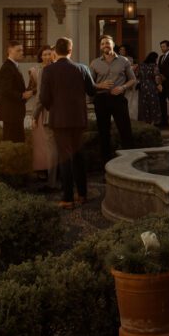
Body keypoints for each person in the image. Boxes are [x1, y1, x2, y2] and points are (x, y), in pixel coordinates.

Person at [39, 37, 97, 208]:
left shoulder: (49, 70)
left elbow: (43, 98)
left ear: (55, 51)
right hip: (78, 119)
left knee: (65, 158)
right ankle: (83, 194)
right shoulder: (82, 68)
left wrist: (54, 109)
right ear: (71, 50)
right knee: (78, 156)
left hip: (59, 120)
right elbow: (92, 90)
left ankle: (68, 198)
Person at [90, 35, 137, 163]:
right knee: (104, 134)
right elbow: (90, 84)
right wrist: (100, 85)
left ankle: (130, 165)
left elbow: (133, 79)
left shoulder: (124, 61)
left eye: (108, 43)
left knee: (125, 131)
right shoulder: (94, 63)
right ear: (100, 47)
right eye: (103, 43)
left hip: (118, 100)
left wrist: (123, 87)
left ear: (113, 44)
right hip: (101, 100)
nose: (105, 45)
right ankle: (106, 167)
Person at [28, 45, 59, 188]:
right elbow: (34, 90)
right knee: (42, 143)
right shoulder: (35, 71)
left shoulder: (56, 69)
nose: (47, 57)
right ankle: (43, 170)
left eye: (49, 54)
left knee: (52, 145)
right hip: (41, 110)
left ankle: (54, 175)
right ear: (40, 56)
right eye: (44, 54)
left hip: (50, 110)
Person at [0, 41, 33, 143]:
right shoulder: (7, 68)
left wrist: (29, 89)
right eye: (18, 50)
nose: (22, 53)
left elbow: (14, 88)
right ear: (10, 51)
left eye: (22, 50)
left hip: (15, 112)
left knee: (18, 141)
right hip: (10, 113)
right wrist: (22, 95)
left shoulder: (14, 66)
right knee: (11, 143)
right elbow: (5, 90)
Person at [136, 51, 163, 126]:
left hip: (142, 86)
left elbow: (137, 75)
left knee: (144, 104)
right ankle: (153, 123)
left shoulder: (141, 65)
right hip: (151, 86)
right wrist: (159, 85)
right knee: (153, 104)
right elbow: (157, 77)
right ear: (154, 58)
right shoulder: (154, 66)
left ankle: (144, 122)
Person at [157, 40, 169, 128]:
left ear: (168, 47)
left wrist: (162, 77)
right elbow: (158, 69)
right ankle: (164, 122)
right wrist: (159, 80)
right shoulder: (161, 57)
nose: (162, 48)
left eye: (164, 46)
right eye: (161, 47)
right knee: (161, 102)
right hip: (162, 83)